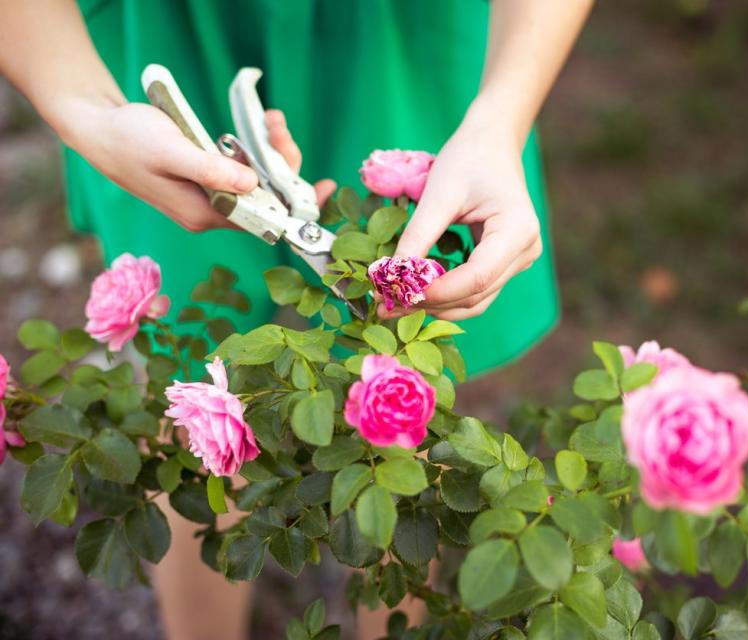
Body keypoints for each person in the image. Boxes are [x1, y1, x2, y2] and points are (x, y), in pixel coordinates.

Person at [0, 1, 593, 638]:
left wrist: (498, 120)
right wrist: (92, 113)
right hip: (178, 28)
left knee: (407, 402)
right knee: (190, 398)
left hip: (398, 40)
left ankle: (391, 619)